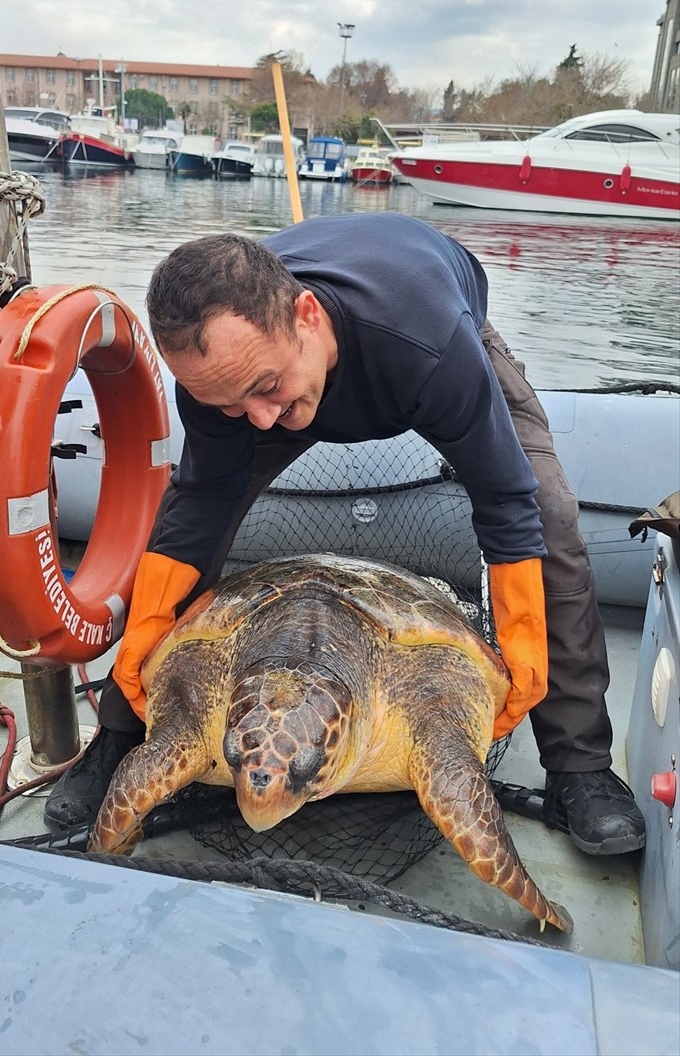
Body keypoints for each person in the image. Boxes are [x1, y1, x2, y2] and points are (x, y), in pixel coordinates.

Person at [45, 212, 645, 855]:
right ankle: (120, 733)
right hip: (297, 343)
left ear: (306, 316)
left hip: (424, 326)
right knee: (186, 521)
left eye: (266, 389)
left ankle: (579, 764)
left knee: (549, 512)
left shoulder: (431, 346)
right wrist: (137, 657)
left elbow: (508, 501)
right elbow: (199, 512)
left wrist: (523, 645)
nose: (263, 421)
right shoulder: (224, 374)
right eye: (230, 406)